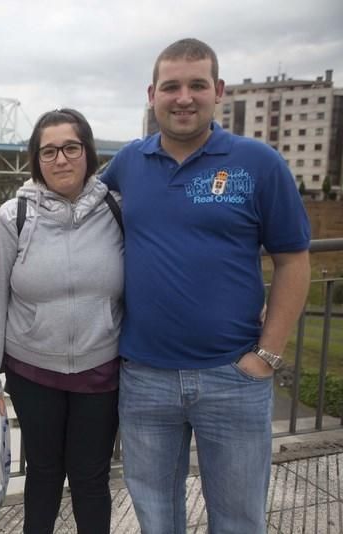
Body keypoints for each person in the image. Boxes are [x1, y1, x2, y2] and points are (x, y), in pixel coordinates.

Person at [102, 38, 311, 534]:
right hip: (145, 379)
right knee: (155, 518)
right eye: (171, 86)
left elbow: (294, 262)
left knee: (239, 520)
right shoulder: (128, 164)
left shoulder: (258, 163)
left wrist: (267, 356)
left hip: (232, 377)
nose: (183, 97)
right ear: (152, 94)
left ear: (217, 91)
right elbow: (75, 211)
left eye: (197, 85)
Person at [0, 108, 124, 534]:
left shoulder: (116, 211)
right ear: (36, 160)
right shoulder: (12, 218)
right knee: (43, 473)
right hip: (34, 370)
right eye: (49, 151)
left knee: (91, 477)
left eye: (71, 148)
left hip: (101, 370)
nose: (61, 159)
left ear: (88, 152)